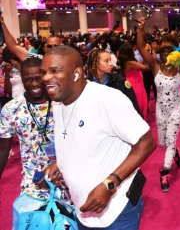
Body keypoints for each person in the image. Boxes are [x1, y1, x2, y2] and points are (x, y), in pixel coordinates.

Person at [40, 45, 156, 229]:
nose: (46, 77)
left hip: (117, 211)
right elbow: (79, 139)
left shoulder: (107, 99)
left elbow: (147, 142)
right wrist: (60, 163)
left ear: (77, 74)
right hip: (82, 209)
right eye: (44, 72)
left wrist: (110, 184)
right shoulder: (59, 102)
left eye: (55, 71)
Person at [0, 57, 71, 203]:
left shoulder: (63, 103)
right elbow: (3, 150)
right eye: (28, 79)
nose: (34, 84)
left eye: (38, 78)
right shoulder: (11, 108)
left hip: (68, 181)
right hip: (33, 183)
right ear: (21, 79)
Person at [136, 18, 180, 192]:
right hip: (161, 110)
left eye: (169, 50)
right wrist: (140, 28)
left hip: (177, 108)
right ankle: (175, 153)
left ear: (175, 52)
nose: (165, 53)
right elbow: (140, 46)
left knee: (169, 140)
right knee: (163, 142)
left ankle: (165, 172)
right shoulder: (154, 65)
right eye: (162, 50)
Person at [86, 48, 143, 118]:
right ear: (95, 63)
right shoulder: (87, 85)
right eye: (106, 61)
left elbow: (133, 106)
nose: (110, 64)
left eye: (110, 60)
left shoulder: (119, 81)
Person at [117, 44, 149, 119]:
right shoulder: (130, 63)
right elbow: (146, 68)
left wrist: (145, 58)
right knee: (139, 110)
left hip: (134, 86)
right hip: (137, 88)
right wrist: (152, 59)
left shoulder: (127, 63)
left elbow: (138, 65)